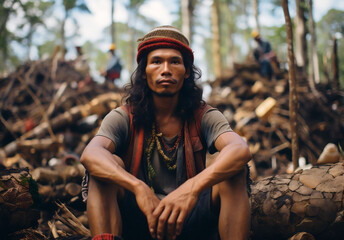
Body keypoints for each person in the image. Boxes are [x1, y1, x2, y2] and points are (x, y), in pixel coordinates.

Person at [80, 25, 252, 240]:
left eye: (175, 61)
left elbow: (240, 149)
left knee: (233, 171)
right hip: (139, 219)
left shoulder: (203, 115)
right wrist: (139, 188)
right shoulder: (124, 116)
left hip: (191, 219)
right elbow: (91, 155)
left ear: (187, 71)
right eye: (156, 61)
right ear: (144, 72)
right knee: (105, 166)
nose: (166, 69)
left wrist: (191, 188)